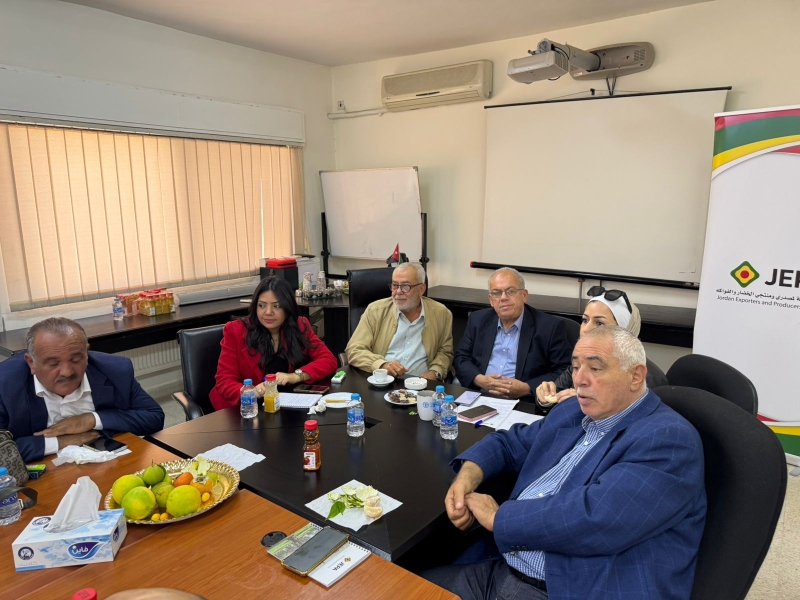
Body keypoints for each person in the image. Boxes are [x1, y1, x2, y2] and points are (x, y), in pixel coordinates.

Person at [426, 326, 706, 600]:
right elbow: (509, 443)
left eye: (594, 368)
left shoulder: (669, 439)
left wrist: (498, 518)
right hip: (503, 565)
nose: (579, 379)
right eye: (575, 367)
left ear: (635, 376)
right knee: (405, 585)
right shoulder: (574, 410)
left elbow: (595, 518)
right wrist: (467, 476)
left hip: (569, 587)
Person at [0, 317, 165, 463]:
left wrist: (90, 419)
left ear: (87, 354)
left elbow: (154, 417)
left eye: (76, 360)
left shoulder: (115, 370)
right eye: (53, 364)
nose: (67, 372)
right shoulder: (5, 384)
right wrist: (61, 441)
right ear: (31, 363)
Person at [210, 277, 338, 410]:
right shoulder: (235, 330)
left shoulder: (299, 325)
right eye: (262, 305)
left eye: (277, 306)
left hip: (284, 405)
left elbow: (328, 360)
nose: (268, 312)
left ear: (288, 307)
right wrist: (252, 392)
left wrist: (295, 376)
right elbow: (224, 381)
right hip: (244, 409)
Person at [535, 285, 667, 407]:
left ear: (624, 330)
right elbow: (554, 398)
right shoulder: (582, 362)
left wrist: (582, 403)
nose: (586, 329)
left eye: (599, 323)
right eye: (585, 320)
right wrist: (545, 398)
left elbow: (636, 420)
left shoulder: (649, 379)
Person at [453, 268, 571, 399]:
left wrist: (527, 388)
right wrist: (479, 379)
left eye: (510, 291)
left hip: (524, 401)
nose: (503, 297)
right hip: (480, 395)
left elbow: (565, 371)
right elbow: (461, 357)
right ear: (491, 300)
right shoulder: (477, 320)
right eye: (497, 293)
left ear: (524, 295)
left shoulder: (549, 327)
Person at [345, 262, 453, 382]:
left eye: (406, 286)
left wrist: (435, 372)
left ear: (421, 289)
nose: (398, 291)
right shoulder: (375, 311)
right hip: (383, 382)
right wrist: (382, 365)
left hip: (420, 385)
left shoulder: (441, 313)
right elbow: (354, 350)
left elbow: (445, 352)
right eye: (395, 285)